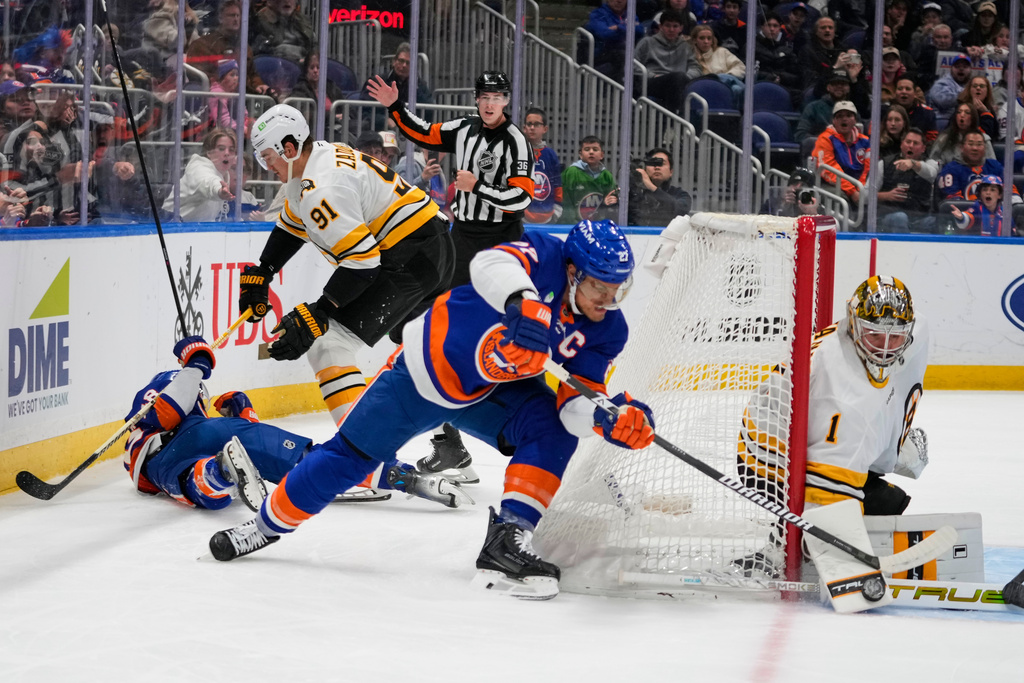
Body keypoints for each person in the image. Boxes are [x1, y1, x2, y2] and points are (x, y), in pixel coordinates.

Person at [208, 220, 656, 603]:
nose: (608, 300)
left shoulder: (607, 330)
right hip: (423, 375)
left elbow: (577, 402)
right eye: (600, 286)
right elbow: (487, 263)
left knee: (554, 428)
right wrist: (522, 302)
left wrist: (604, 417)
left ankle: (508, 537)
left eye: (619, 289)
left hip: (490, 395)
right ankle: (264, 526)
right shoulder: (544, 255)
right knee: (347, 459)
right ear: (574, 272)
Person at [237, 104, 454, 430]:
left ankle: (368, 457)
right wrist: (264, 270)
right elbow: (293, 223)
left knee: (328, 345)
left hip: (413, 254)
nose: (266, 166)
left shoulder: (322, 187)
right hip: (428, 244)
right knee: (418, 352)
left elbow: (363, 264)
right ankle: (450, 444)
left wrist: (320, 311)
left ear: (290, 148)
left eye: (267, 156)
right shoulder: (317, 160)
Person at [366, 70, 533, 479]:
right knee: (441, 334)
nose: (490, 103)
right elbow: (422, 132)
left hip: (503, 245)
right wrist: (394, 106)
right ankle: (449, 443)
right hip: (462, 241)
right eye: (484, 97)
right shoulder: (463, 129)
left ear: (507, 100)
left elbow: (522, 195)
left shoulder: (516, 142)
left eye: (498, 96)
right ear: (476, 100)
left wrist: (477, 187)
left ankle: (530, 428)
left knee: (503, 335)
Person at [736, 276, 928, 576]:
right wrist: (832, 545)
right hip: (766, 461)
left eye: (897, 337)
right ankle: (782, 547)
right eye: (875, 336)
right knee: (875, 504)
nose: (886, 349)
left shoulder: (856, 345)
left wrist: (893, 442)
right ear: (854, 323)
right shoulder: (847, 394)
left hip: (794, 433)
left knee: (886, 499)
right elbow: (831, 473)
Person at [123, 335, 307, 511]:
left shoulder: (138, 435)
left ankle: (221, 471)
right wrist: (196, 363)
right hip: (176, 442)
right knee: (248, 434)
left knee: (208, 490)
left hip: (163, 474)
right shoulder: (168, 382)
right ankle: (316, 461)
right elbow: (168, 413)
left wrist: (244, 417)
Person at [186, 0, 271, 97]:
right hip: (216, 99)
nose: (236, 19)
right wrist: (219, 83)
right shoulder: (202, 44)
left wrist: (259, 85)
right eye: (231, 15)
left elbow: (252, 74)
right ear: (220, 18)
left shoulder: (244, 47)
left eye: (238, 16)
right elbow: (198, 76)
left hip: (245, 99)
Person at [633, 9, 701, 115]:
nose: (671, 29)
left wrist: (686, 76)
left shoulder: (685, 46)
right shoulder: (647, 42)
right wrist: (651, 75)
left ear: (681, 28)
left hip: (678, 81)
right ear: (660, 27)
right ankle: (673, 121)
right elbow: (633, 65)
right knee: (677, 80)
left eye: (675, 26)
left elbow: (695, 67)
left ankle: (672, 121)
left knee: (683, 80)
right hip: (652, 81)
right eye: (667, 26)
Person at [161, 127, 236, 221]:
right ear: (209, 152)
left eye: (231, 150)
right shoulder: (198, 168)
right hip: (167, 226)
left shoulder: (224, 175)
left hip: (190, 230)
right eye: (221, 149)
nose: (227, 153)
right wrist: (219, 191)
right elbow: (208, 182)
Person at [877, 128, 937, 233]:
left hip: (919, 216)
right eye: (908, 142)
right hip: (889, 215)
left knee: (936, 221)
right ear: (901, 144)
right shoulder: (884, 164)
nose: (911, 146)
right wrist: (886, 195)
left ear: (923, 148)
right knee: (900, 217)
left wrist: (913, 163)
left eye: (916, 143)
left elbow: (932, 174)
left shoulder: (930, 163)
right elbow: (865, 194)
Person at [811, 100, 870, 206]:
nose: (844, 119)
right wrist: (852, 191)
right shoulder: (825, 139)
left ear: (855, 120)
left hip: (860, 186)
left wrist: (860, 188)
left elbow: (868, 168)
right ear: (834, 120)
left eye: (849, 115)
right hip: (832, 185)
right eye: (839, 116)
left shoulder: (865, 141)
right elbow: (828, 169)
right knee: (840, 200)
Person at [626, 147, 691, 226]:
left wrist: (650, 186)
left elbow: (678, 210)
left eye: (661, 164)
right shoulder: (635, 193)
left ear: (671, 172)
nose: (657, 167)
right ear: (645, 169)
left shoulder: (680, 195)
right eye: (652, 163)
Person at [561, 135, 618, 225]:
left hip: (598, 226)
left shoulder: (607, 176)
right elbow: (566, 202)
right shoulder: (571, 173)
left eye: (595, 149)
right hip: (574, 226)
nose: (591, 152)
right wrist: (572, 225)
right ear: (580, 154)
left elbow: (611, 203)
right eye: (587, 149)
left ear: (602, 155)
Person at [795, 69, 863, 143]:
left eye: (843, 84)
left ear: (848, 89)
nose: (839, 86)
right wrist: (827, 141)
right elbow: (800, 135)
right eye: (835, 84)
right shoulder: (813, 107)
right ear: (828, 87)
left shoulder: (853, 110)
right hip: (821, 149)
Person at [585, 0, 646, 82]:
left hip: (625, 52)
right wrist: (628, 28)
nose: (619, 1)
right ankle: (624, 85)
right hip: (602, 53)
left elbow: (640, 31)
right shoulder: (597, 14)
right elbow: (604, 34)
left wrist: (619, 28)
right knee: (622, 56)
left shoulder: (630, 14)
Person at [522, 107, 563, 224]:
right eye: (529, 124)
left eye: (536, 124)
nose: (532, 128)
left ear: (545, 129)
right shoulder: (517, 152)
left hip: (547, 216)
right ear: (524, 128)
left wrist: (557, 210)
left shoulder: (550, 155)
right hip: (522, 217)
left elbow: (557, 184)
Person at [691, 24, 745, 108]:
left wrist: (727, 77)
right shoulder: (690, 56)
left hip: (728, 85)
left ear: (713, 40)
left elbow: (740, 67)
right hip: (705, 89)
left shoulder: (722, 52)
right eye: (702, 38)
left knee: (737, 89)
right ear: (694, 40)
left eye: (709, 38)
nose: (706, 41)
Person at [754, 12, 801, 106]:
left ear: (780, 29)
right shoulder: (752, 47)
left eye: (775, 26)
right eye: (768, 25)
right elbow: (747, 70)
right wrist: (769, 77)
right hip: (760, 85)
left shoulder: (787, 50)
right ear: (762, 27)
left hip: (784, 86)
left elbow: (797, 75)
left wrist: (781, 77)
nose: (772, 29)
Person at [249, 0, 316, 64]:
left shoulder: (304, 21)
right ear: (270, 2)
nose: (287, 1)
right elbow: (258, 54)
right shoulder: (259, 22)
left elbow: (315, 50)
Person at [930, 104, 996, 168]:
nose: (962, 115)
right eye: (959, 112)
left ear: (973, 118)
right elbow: (933, 162)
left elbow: (992, 164)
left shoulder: (984, 139)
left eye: (967, 113)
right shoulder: (944, 139)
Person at [950, 174, 1015, 236]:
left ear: (999, 195)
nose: (988, 193)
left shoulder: (1005, 212)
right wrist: (961, 217)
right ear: (980, 194)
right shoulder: (976, 208)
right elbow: (966, 221)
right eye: (985, 190)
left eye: (992, 190)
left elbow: (1012, 234)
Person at [888, 77, 938, 145]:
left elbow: (931, 141)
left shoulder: (927, 113)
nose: (904, 91)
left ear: (915, 93)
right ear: (894, 92)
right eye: (900, 89)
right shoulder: (885, 111)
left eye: (908, 89)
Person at [927, 52, 973, 118]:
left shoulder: (970, 84)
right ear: (951, 69)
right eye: (957, 66)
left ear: (970, 70)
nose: (961, 69)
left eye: (965, 67)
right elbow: (943, 101)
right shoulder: (941, 83)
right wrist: (968, 94)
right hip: (942, 120)